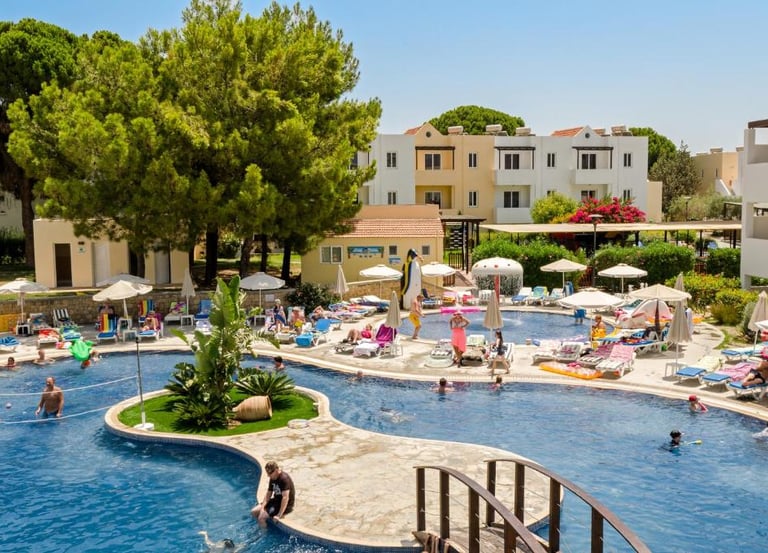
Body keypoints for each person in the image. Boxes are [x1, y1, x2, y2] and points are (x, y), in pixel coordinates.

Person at [251, 461, 295, 528]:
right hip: (276, 501)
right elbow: (269, 493)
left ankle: (263, 535)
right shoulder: (273, 478)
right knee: (254, 511)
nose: (268, 475)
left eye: (270, 473)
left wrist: (279, 515)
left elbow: (285, 498)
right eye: (268, 473)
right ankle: (261, 527)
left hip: (285, 505)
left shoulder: (284, 479)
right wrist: (263, 507)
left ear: (276, 470)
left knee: (261, 518)